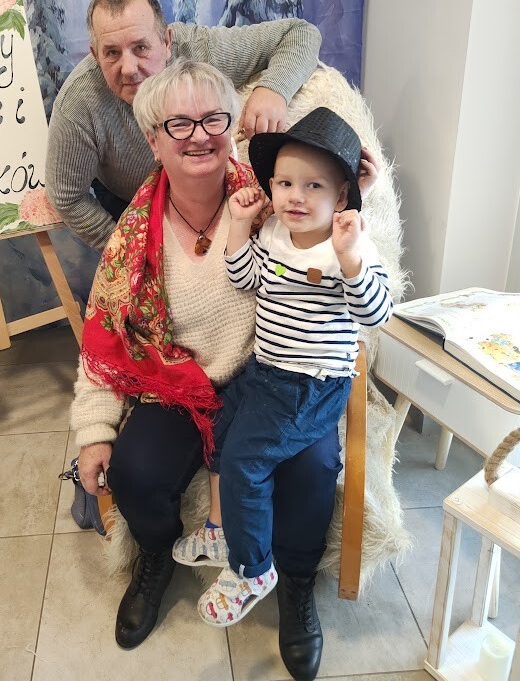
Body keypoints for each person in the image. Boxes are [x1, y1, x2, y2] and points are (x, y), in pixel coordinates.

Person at [70, 61, 379, 676]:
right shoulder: (134, 234)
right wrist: (94, 430)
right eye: (177, 124)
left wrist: (357, 187)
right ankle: (154, 558)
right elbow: (104, 339)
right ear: (152, 139)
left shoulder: (277, 200)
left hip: (279, 378)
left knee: (313, 467)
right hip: (179, 386)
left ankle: (293, 583)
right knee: (135, 472)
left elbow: (347, 240)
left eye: (213, 118)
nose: (198, 135)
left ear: (231, 128)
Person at [172, 107, 393, 679]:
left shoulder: (348, 246)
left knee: (246, 463)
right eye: (285, 183)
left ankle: (254, 569)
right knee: (221, 429)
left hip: (310, 386)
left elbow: (377, 313)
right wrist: (239, 225)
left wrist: (350, 258)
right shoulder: (273, 231)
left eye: (313, 186)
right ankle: (222, 532)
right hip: (266, 370)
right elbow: (243, 279)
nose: (295, 196)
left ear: (341, 196)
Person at [45, 0, 322, 250]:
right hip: (132, 203)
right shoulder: (77, 105)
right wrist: (126, 250)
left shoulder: (200, 50)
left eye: (140, 48)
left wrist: (274, 89)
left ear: (167, 42)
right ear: (95, 55)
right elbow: (67, 197)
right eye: (112, 53)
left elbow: (300, 33)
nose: (128, 68)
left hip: (220, 202)